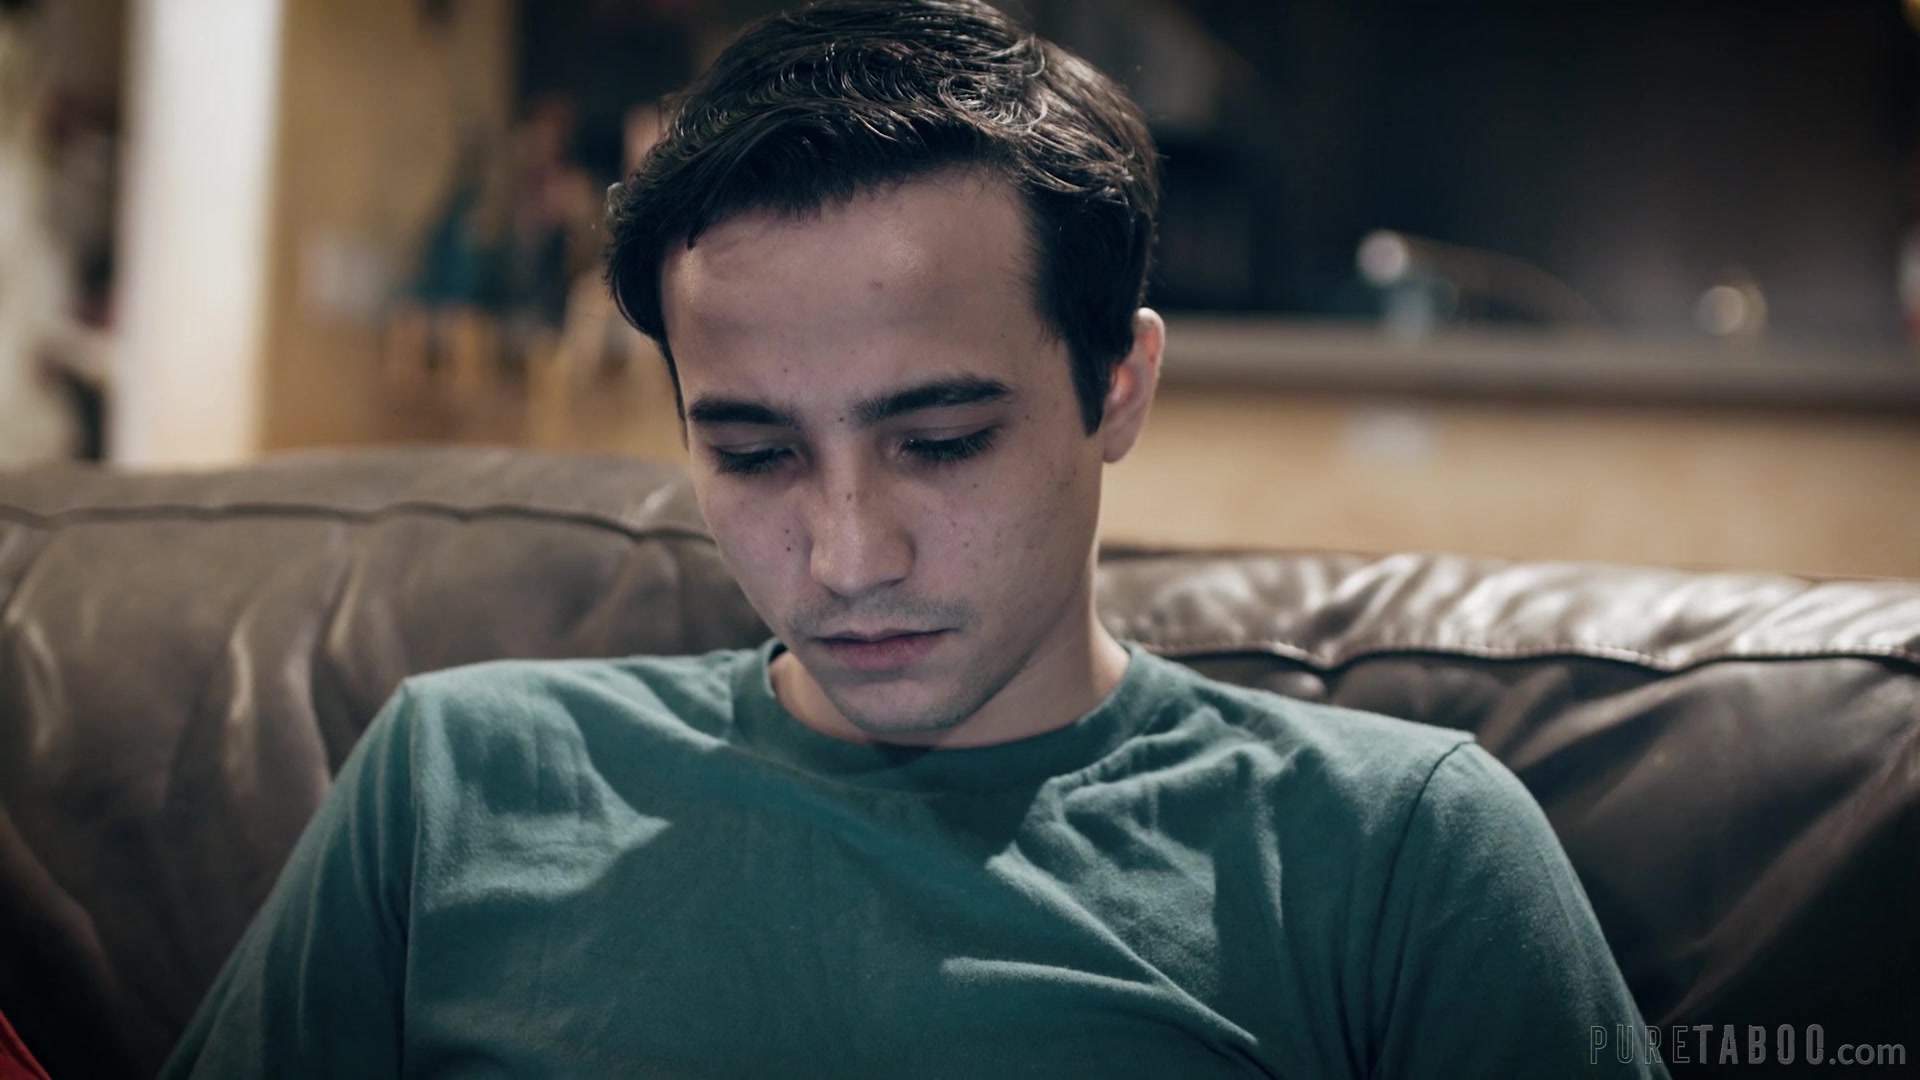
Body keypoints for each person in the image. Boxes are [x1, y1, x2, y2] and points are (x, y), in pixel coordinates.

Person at [163, 1, 1666, 1075]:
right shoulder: (452, 784)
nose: (846, 557)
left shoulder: (1397, 855)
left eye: (940, 442)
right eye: (754, 454)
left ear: (1119, 386)